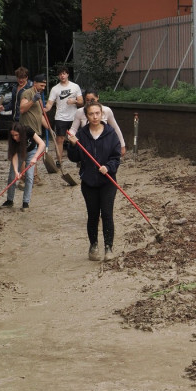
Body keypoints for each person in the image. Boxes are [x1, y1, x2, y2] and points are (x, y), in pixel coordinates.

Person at [66, 102, 122, 262]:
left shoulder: (111, 134)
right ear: (87, 116)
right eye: (91, 114)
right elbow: (74, 158)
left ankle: (109, 247)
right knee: (92, 215)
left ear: (102, 114)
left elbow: (116, 157)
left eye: (98, 113)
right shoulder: (82, 135)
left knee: (107, 214)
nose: (95, 116)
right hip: (89, 182)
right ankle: (93, 245)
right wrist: (72, 145)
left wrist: (108, 167)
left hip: (108, 182)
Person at [0, 122, 46, 211]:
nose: (15, 138)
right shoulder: (13, 140)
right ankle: (9, 200)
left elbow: (42, 144)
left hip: (32, 152)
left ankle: (25, 203)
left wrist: (35, 158)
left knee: (29, 176)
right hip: (19, 153)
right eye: (13, 135)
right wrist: (17, 172)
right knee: (12, 176)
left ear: (21, 133)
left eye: (17, 135)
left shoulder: (28, 130)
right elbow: (14, 156)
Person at [70, 90, 127, 157]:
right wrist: (71, 137)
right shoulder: (80, 112)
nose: (95, 117)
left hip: (104, 146)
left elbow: (115, 128)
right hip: (87, 146)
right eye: (87, 100)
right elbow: (73, 129)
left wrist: (122, 145)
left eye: (93, 99)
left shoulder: (107, 111)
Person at [45, 66, 83, 164]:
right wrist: (45, 109)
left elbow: (81, 102)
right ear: (58, 76)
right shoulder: (55, 89)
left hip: (74, 116)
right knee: (60, 139)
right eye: (60, 74)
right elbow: (50, 103)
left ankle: (79, 158)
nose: (62, 76)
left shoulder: (75, 86)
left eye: (64, 73)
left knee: (75, 138)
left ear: (67, 74)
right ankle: (59, 161)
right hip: (60, 117)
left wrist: (74, 101)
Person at [18, 74, 49, 186]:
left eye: (44, 86)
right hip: (26, 130)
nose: (43, 88)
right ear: (35, 83)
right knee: (25, 154)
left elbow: (39, 115)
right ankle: (22, 178)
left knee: (34, 153)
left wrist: (49, 128)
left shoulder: (39, 95)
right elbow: (22, 109)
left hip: (36, 130)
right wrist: (33, 100)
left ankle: (34, 176)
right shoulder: (27, 93)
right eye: (41, 85)